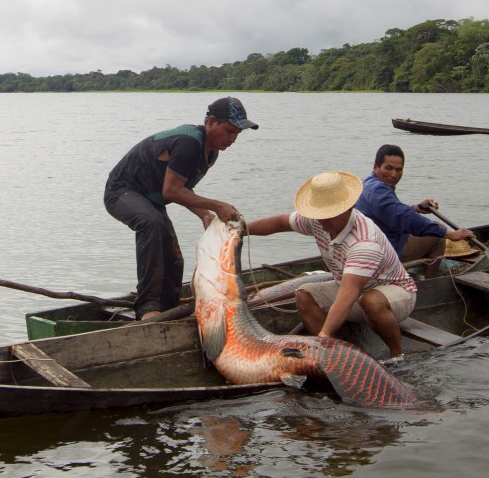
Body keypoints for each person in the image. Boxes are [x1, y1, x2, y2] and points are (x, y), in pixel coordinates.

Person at [104, 97, 259, 321]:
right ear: (211, 122)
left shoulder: (210, 152)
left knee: (174, 257)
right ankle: (148, 308)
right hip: (122, 191)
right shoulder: (189, 143)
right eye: (229, 131)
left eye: (237, 134)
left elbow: (182, 189)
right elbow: (171, 191)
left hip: (150, 199)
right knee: (152, 224)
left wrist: (204, 214)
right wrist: (216, 205)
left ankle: (168, 308)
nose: (232, 139)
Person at [246, 171, 415, 360]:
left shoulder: (364, 242)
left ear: (346, 208)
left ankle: (397, 354)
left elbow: (347, 294)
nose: (321, 220)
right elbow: (279, 223)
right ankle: (334, 355)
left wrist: (323, 333)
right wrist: (242, 229)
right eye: (319, 214)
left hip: (395, 292)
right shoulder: (317, 221)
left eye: (328, 215)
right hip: (353, 289)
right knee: (304, 294)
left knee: (371, 300)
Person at [353, 144, 474, 269]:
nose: (394, 174)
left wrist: (416, 208)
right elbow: (404, 217)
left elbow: (391, 211)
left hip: (374, 243)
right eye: (388, 168)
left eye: (399, 170)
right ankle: (429, 282)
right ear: (376, 167)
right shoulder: (378, 190)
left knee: (432, 229)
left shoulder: (368, 183)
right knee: (438, 232)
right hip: (385, 251)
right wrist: (449, 234)